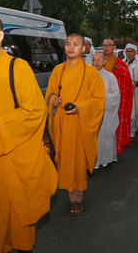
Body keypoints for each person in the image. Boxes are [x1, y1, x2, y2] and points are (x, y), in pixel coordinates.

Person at [0, 15, 57, 252]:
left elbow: (35, 110)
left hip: (14, 148)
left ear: (0, 35)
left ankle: (20, 245)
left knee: (17, 204)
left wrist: (0, 122)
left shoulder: (19, 67)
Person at [46, 33, 105, 216]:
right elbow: (49, 93)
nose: (71, 47)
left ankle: (76, 198)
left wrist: (81, 107)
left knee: (77, 161)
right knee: (64, 159)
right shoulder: (57, 71)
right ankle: (66, 188)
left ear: (84, 48)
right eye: (68, 44)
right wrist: (53, 101)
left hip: (79, 124)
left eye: (76, 44)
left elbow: (98, 101)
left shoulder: (91, 73)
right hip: (62, 123)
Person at [102, 38, 133, 154]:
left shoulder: (120, 63)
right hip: (101, 97)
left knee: (115, 123)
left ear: (114, 48)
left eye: (109, 45)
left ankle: (115, 149)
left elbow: (128, 82)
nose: (106, 47)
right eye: (104, 45)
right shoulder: (97, 61)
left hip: (116, 99)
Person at [92, 51, 120, 168]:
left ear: (104, 62)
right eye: (94, 60)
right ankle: (94, 160)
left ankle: (107, 158)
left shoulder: (110, 76)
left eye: (99, 60)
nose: (97, 62)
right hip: (91, 112)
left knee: (105, 136)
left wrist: (101, 99)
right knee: (94, 137)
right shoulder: (87, 75)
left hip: (106, 112)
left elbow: (116, 94)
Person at [124, 43, 138, 141]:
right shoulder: (122, 64)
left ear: (135, 52)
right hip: (123, 92)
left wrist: (136, 83)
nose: (129, 53)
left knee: (133, 113)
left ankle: (131, 133)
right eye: (127, 51)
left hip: (134, 92)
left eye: (131, 51)